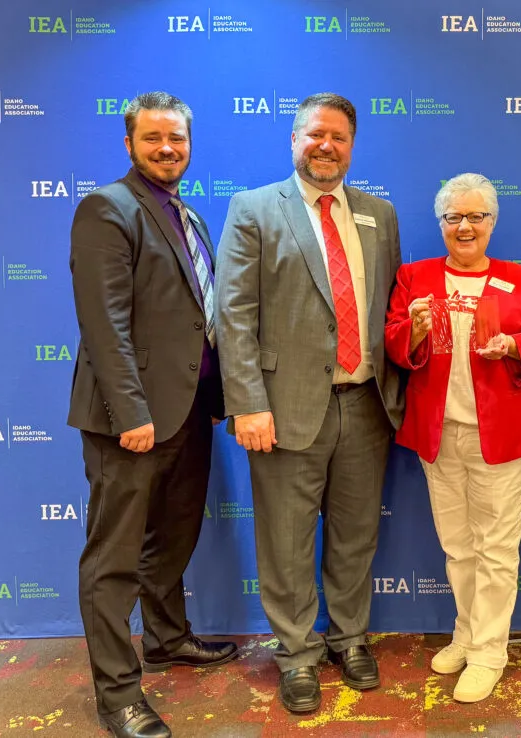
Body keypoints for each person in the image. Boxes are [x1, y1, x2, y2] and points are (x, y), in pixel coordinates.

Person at [215, 92, 403, 715]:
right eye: (316, 134)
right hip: (282, 406)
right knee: (287, 539)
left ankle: (349, 639)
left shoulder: (380, 214)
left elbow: (390, 312)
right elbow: (233, 315)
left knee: (354, 536)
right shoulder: (253, 209)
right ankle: (296, 653)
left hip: (366, 405)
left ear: (353, 146)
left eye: (340, 137)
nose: (327, 146)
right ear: (294, 140)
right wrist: (247, 403)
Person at [68, 91, 237, 738]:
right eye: (153, 138)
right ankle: (118, 695)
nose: (168, 148)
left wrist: (215, 401)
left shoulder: (187, 215)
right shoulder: (107, 209)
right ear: (129, 143)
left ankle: (168, 638)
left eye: (178, 139)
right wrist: (129, 411)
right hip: (128, 420)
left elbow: (203, 319)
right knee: (112, 560)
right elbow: (104, 322)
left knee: (173, 538)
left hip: (189, 413)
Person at [385, 174, 521, 702]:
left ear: (492, 222)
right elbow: (395, 346)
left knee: (497, 549)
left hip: (504, 435)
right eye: (454, 217)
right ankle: (466, 634)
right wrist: (413, 329)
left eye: (476, 216)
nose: (466, 226)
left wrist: (514, 346)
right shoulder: (414, 277)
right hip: (439, 435)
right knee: (458, 547)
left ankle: (488, 652)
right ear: (441, 223)